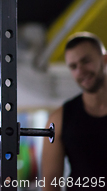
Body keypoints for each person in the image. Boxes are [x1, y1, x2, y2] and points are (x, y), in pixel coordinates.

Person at [41, 32, 107, 190]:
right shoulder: (58, 119)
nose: (80, 70)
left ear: (104, 59)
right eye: (73, 66)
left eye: (86, 61)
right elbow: (50, 183)